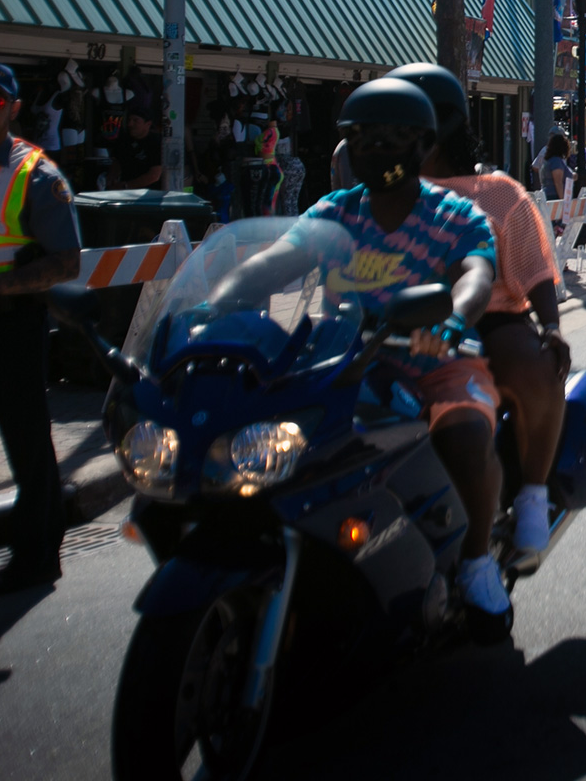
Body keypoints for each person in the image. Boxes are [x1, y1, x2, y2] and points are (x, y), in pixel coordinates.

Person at [218, 78, 513, 630]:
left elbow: (474, 275)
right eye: (363, 138)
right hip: (343, 363)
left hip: (436, 358)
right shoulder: (335, 212)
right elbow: (274, 263)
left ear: (424, 146)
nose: (377, 150)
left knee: (467, 431)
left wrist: (453, 321)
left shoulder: (455, 216)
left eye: (394, 138)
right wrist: (215, 307)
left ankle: (475, 560)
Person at [392, 64, 571, 564]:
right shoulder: (381, 193)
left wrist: (551, 328)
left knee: (533, 365)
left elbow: (533, 271)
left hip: (488, 320)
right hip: (397, 324)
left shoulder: (499, 192)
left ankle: (532, 496)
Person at [0, 64, 81, 594]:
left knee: (26, 444)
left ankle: (38, 556)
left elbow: (67, 263)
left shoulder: (36, 175)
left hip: (9, 327)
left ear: (14, 109)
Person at [110, 107, 164, 191]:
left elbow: (154, 175)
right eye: (129, 120)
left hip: (150, 194)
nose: (130, 124)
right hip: (123, 193)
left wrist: (126, 186)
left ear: (148, 124)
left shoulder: (156, 143)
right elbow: (116, 164)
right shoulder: (124, 140)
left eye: (136, 121)